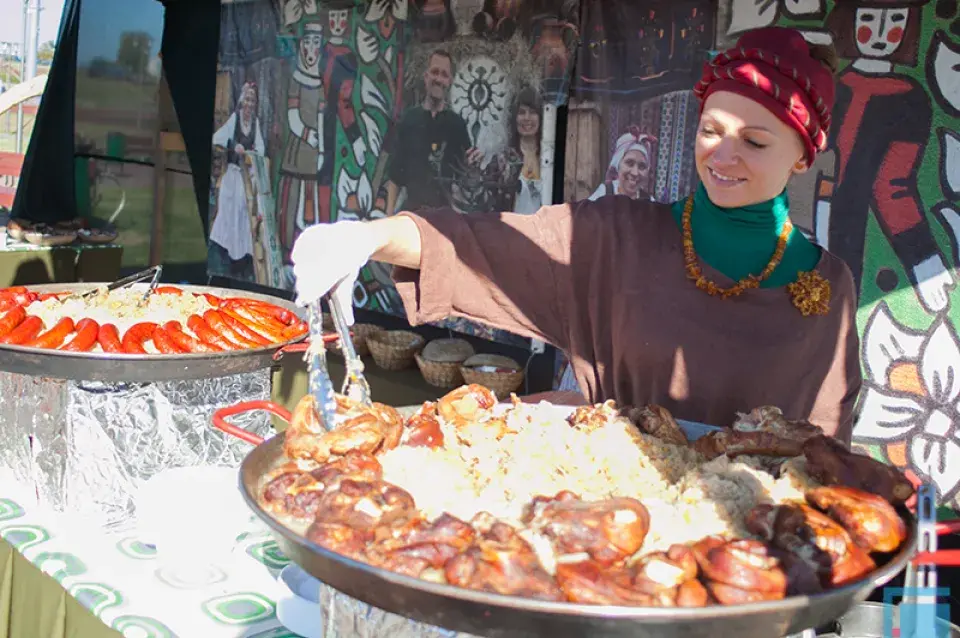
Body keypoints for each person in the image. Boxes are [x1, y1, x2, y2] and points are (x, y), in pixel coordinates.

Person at [292, 27, 862, 442]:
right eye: (711, 130)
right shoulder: (617, 238)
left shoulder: (825, 287)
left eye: (755, 142)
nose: (723, 155)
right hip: (610, 530)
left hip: (743, 564)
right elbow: (486, 246)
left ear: (803, 157)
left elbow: (822, 453)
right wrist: (370, 236)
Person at [385, 49, 483, 214]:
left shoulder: (457, 125)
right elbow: (395, 177)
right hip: (412, 215)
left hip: (444, 218)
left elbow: (465, 177)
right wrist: (388, 217)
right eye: (435, 72)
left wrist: (474, 166)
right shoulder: (408, 120)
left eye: (444, 75)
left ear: (450, 81)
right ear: (426, 77)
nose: (438, 79)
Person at [210, 81, 265, 282]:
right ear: (242, 101)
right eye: (247, 99)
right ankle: (222, 257)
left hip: (243, 178)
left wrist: (249, 153)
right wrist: (234, 146)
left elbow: (261, 149)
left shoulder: (255, 124)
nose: (250, 104)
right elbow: (217, 138)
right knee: (227, 211)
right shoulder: (235, 120)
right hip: (232, 174)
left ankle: (240, 259)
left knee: (242, 213)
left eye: (253, 100)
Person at [588, 127, 655, 201]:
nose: (635, 173)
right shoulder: (603, 193)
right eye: (629, 163)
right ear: (618, 165)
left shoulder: (649, 203)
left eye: (642, 166)